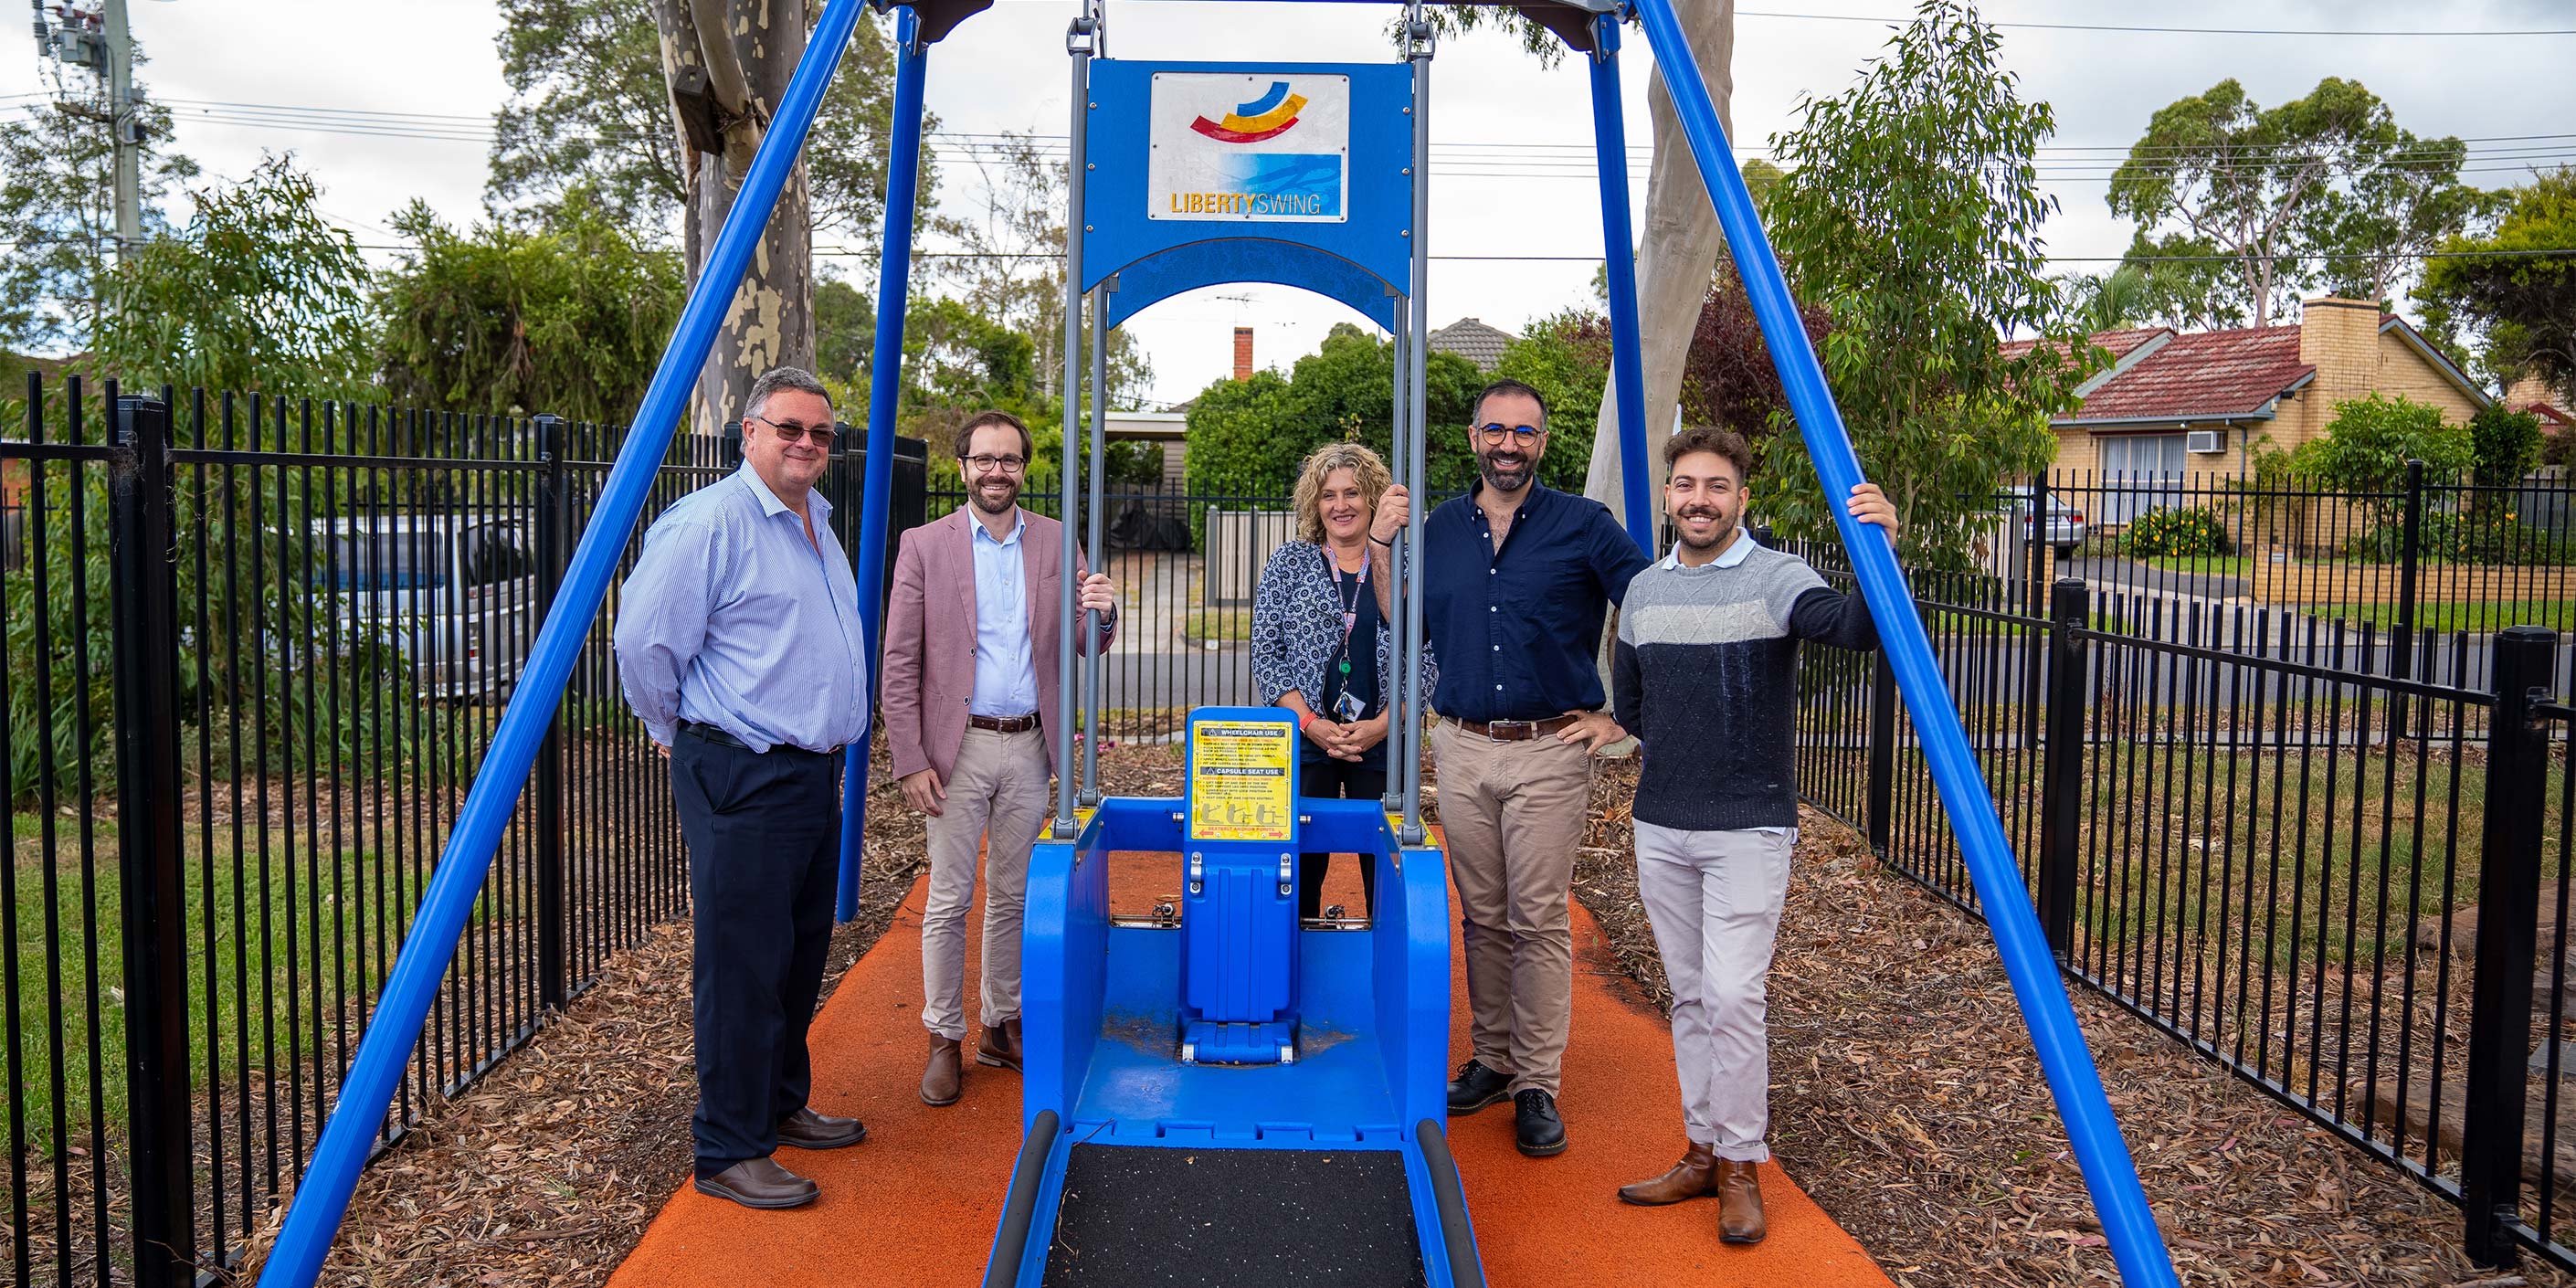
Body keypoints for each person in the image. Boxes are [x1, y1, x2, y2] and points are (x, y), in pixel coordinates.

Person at [1610, 426, 1895, 1243]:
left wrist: (1883, 545)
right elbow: (1630, 704)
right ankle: (1701, 1150)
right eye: (1686, 485)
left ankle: (1740, 1162)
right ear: (1668, 495)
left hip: (1747, 825)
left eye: (1717, 486)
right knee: (1692, 995)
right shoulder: (1643, 592)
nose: (1699, 499)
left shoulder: (1776, 578)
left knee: (1735, 995)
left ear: (1742, 498)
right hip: (1663, 822)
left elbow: (1854, 629)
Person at [1367, 377, 1650, 1158]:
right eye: (1496, 430)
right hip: (1460, 745)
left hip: (1549, 749)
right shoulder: (1440, 528)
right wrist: (1386, 546)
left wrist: (1623, 715)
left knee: (1538, 919)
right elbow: (1403, 620)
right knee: (1482, 916)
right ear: (1472, 437)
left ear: (1543, 444)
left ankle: (1537, 1083)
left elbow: (1652, 604)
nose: (1509, 445)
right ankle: (1492, 1058)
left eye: (1524, 433)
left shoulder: (1584, 526)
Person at [614, 365, 871, 1211]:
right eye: (790, 428)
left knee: (798, 951)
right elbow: (645, 646)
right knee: (740, 963)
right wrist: (674, 732)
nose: (807, 444)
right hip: (744, 771)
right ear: (749, 432)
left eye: (821, 434)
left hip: (811, 771)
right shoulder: (710, 524)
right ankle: (729, 1146)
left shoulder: (816, 523)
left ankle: (779, 1103)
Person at [882, 409, 1117, 1108]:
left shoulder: (1054, 543)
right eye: (983, 459)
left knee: (1013, 894)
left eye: (1009, 460)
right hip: (956, 748)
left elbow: (1087, 643)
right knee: (950, 898)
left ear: (1023, 468)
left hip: (1029, 743)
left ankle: (999, 1023)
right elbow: (899, 661)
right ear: (963, 468)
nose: (996, 471)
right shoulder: (925, 545)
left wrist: (1103, 612)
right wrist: (908, 757)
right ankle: (942, 1037)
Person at [1251, 442, 1435, 919]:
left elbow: (1429, 659)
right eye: (1328, 495)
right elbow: (1267, 656)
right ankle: (1297, 966)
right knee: (1301, 862)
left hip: (1381, 740)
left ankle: (1382, 971)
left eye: (1352, 493)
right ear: (1315, 504)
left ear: (1373, 498)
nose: (1340, 505)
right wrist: (1310, 723)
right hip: (1308, 739)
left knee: (1383, 863)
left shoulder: (1407, 564)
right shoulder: (1289, 564)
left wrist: (1383, 725)